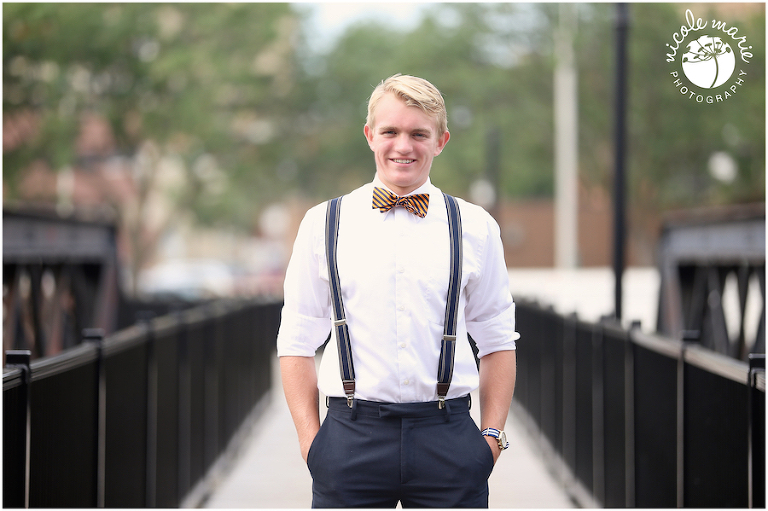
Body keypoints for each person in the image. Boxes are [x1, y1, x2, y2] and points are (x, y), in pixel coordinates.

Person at [277, 73, 519, 508]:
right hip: (351, 438)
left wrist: (492, 438)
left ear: (441, 140)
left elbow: (498, 339)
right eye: (390, 131)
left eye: (418, 134)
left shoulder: (476, 227)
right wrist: (312, 444)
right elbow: (296, 340)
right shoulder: (323, 223)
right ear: (370, 135)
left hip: (449, 438)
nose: (403, 146)